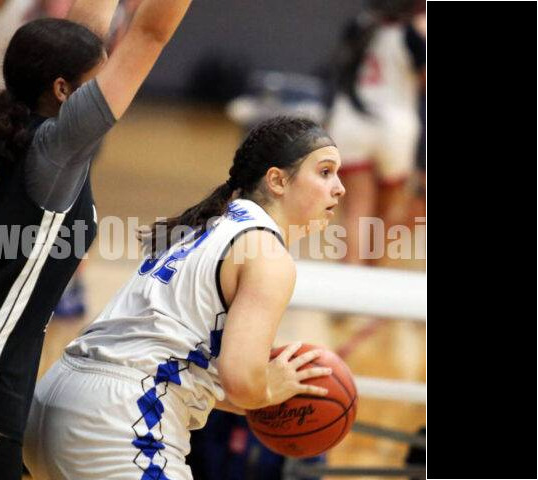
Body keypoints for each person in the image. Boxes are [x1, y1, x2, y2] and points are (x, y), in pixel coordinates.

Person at [0, 0, 194, 477]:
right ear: (63, 91)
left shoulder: (14, 127)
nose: (107, 93)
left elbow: (81, 32)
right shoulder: (55, 150)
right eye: (96, 82)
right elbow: (148, 35)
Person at [23, 116, 346, 480]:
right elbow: (242, 381)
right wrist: (268, 388)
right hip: (120, 421)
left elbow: (188, 367)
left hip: (54, 399)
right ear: (277, 180)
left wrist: (260, 393)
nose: (339, 188)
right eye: (325, 172)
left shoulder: (201, 225)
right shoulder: (267, 254)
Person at [325, 0, 425, 264]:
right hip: (395, 126)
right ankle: (367, 280)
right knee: (383, 217)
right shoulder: (415, 30)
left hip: (351, 121)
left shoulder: (360, 24)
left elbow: (337, 70)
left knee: (357, 211)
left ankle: (350, 279)